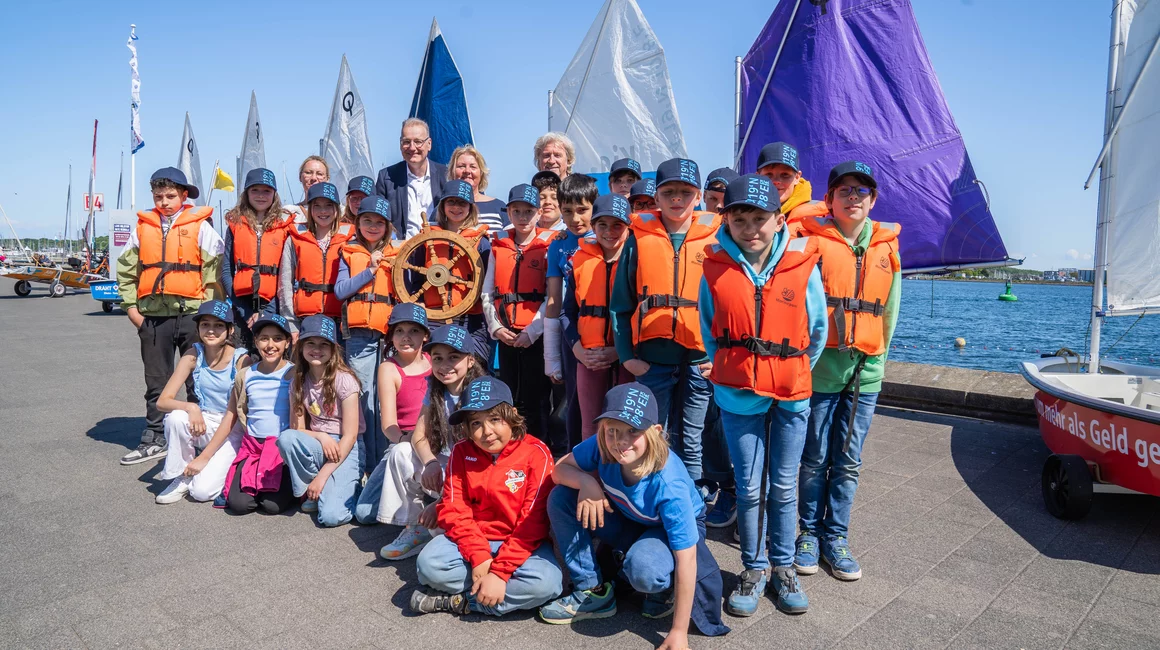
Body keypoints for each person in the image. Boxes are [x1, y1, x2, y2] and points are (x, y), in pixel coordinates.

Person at [698, 174, 828, 616]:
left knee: (785, 486)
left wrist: (789, 372)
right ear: (727, 222)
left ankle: (784, 567)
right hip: (738, 395)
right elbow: (709, 330)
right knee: (750, 488)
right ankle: (753, 568)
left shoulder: (802, 265)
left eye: (760, 218)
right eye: (740, 219)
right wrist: (734, 371)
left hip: (791, 393)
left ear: (777, 219)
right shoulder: (714, 268)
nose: (751, 228)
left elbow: (818, 332)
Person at [539, 383, 729, 648]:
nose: (621, 441)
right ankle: (591, 590)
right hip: (629, 514)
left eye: (633, 431)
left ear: (656, 432)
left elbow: (688, 559)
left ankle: (663, 590)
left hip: (663, 528)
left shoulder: (669, 484)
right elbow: (559, 470)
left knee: (644, 570)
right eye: (612, 431)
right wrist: (587, 483)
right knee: (561, 497)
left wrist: (679, 632)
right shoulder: (603, 445)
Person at [794, 162, 901, 585]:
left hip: (864, 373)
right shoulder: (811, 243)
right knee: (814, 456)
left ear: (872, 200)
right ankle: (808, 533)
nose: (853, 197)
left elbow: (890, 313)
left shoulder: (887, 249)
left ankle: (836, 536)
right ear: (830, 200)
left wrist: (876, 362)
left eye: (861, 191)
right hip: (819, 372)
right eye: (844, 190)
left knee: (849, 460)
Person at [410, 376, 563, 616]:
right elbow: (453, 508)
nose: (486, 432)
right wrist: (480, 558)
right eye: (476, 424)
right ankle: (491, 593)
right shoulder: (461, 452)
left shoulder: (538, 454)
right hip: (473, 540)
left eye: (494, 419)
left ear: (512, 415)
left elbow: (533, 522)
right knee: (429, 566)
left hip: (521, 544)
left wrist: (500, 572)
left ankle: (459, 602)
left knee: (548, 583)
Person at [610, 158, 720, 483]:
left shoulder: (715, 240)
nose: (676, 199)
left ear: (697, 196)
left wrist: (717, 356)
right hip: (651, 362)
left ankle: (693, 503)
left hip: (699, 361)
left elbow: (727, 304)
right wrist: (627, 357)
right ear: (656, 198)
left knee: (692, 439)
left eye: (684, 192)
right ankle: (651, 498)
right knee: (651, 436)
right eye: (668, 192)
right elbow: (621, 303)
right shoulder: (638, 238)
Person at [116, 167, 223, 465]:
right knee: (157, 380)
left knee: (196, 379)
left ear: (184, 195)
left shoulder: (201, 227)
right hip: (152, 318)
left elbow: (214, 275)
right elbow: (125, 271)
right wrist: (131, 309)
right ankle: (155, 436)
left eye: (170, 196)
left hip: (192, 316)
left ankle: (200, 436)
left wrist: (209, 316)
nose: (164, 202)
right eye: (158, 196)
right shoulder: (141, 229)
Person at [377, 325, 487, 560]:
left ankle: (441, 522)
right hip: (443, 468)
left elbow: (484, 457)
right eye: (437, 358)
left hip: (473, 474)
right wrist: (430, 463)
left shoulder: (482, 392)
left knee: (446, 530)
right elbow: (418, 436)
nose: (444, 365)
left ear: (470, 361)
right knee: (401, 451)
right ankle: (415, 527)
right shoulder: (435, 389)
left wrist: (439, 501)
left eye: (453, 357)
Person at [481, 184, 555, 449]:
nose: (523, 217)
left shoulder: (549, 246)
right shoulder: (498, 245)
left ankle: (539, 451)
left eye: (528, 211)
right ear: (509, 213)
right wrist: (496, 328)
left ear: (538, 213)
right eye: (517, 211)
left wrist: (532, 332)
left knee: (537, 399)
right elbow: (487, 292)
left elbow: (551, 295)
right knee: (509, 398)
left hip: (536, 337)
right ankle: (511, 450)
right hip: (506, 335)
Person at [154, 300, 250, 504]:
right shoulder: (193, 354)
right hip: (205, 421)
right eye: (205, 324)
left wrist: (204, 457)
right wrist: (191, 406)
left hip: (232, 430)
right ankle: (182, 475)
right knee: (176, 418)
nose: (211, 331)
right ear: (197, 328)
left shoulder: (242, 360)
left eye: (219, 325)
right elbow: (163, 401)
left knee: (201, 493)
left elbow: (232, 416)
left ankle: (211, 464)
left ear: (230, 330)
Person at [276, 315, 364, 526]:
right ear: (301, 346)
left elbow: (351, 435)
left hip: (346, 445)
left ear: (334, 349)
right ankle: (315, 490)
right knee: (286, 438)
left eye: (324, 344)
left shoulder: (345, 380)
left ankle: (349, 488)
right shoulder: (298, 381)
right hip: (319, 443)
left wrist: (323, 476)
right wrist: (321, 436)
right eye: (311, 343)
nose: (317, 349)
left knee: (331, 517)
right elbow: (297, 429)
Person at [335, 195, 399, 475]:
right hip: (359, 336)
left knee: (385, 399)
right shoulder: (348, 253)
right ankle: (365, 464)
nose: (373, 226)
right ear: (357, 223)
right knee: (363, 399)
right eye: (367, 220)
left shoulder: (398, 255)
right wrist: (370, 271)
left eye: (379, 222)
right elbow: (340, 291)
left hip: (389, 337)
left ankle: (384, 462)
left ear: (387, 226)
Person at [353, 304, 432, 525]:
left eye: (414, 331)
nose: (406, 337)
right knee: (365, 513)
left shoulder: (436, 361)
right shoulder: (389, 368)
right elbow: (388, 425)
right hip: (403, 441)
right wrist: (405, 439)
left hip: (437, 438)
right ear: (391, 336)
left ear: (425, 335)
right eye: (399, 331)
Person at [212, 313, 297, 515]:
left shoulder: (295, 374)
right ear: (256, 342)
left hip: (280, 452)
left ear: (287, 343)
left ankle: (283, 485)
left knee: (271, 506)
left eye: (277, 338)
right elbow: (237, 412)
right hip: (252, 448)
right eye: (264, 338)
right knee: (240, 505)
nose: (270, 345)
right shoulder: (246, 375)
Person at [564, 194, 633, 440]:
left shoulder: (638, 261)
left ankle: (623, 478)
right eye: (602, 224)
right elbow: (567, 313)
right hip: (589, 358)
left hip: (627, 359)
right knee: (590, 428)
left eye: (617, 225)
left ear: (628, 227)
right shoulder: (580, 261)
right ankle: (591, 477)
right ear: (593, 227)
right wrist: (577, 349)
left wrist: (620, 352)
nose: (609, 231)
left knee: (627, 426)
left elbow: (643, 317)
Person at [543, 173, 597, 451]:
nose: (575, 219)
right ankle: (577, 460)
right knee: (573, 402)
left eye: (582, 210)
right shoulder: (558, 244)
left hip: (605, 329)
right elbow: (554, 301)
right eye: (567, 212)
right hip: (571, 331)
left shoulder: (607, 236)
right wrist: (551, 356)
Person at [222, 168, 294, 352]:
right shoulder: (234, 224)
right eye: (255, 190)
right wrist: (245, 311)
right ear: (246, 193)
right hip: (241, 308)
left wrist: (266, 313)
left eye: (266, 191)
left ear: (274, 194)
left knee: (272, 357)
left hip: (273, 307)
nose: (261, 195)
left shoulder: (285, 227)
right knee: (241, 361)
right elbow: (226, 272)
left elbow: (287, 276)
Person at [419, 180, 492, 359]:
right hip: (434, 317)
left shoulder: (481, 243)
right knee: (434, 369)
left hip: (471, 319)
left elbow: (487, 283)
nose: (456, 207)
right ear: (442, 206)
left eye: (462, 203)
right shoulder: (425, 239)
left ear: (470, 207)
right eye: (451, 202)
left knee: (472, 368)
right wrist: (418, 300)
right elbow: (414, 277)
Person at [278, 182, 355, 338]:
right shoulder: (294, 239)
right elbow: (285, 282)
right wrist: (291, 323)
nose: (323, 211)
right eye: (317, 206)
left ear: (336, 208)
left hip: (340, 321)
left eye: (328, 205)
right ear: (309, 209)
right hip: (305, 320)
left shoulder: (351, 238)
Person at [374, 118, 450, 239]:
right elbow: (378, 218)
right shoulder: (387, 177)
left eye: (418, 141)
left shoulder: (446, 175)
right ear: (400, 144)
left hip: (439, 250)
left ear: (429, 144)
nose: (412, 147)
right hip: (401, 251)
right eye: (406, 142)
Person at [755, 142, 828, 228]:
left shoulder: (821, 215)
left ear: (797, 177)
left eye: (785, 175)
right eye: (768, 175)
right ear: (757, 177)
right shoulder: (744, 213)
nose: (776, 181)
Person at [448, 145, 509, 232]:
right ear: (452, 172)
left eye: (473, 167)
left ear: (481, 173)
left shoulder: (499, 207)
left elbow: (512, 240)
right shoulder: (443, 208)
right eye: (461, 166)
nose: (467, 171)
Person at [283, 155, 331, 222]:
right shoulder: (289, 211)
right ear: (300, 177)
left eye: (319, 174)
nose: (313, 178)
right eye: (308, 173)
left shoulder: (340, 212)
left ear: (327, 179)